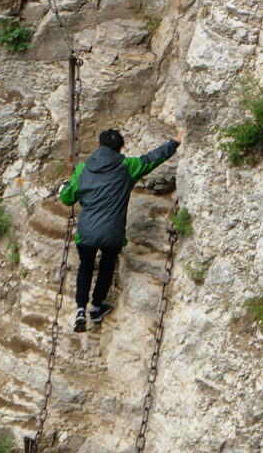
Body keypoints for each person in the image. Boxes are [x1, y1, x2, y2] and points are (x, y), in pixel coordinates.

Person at [59, 127, 182, 331]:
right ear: (121, 148)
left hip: (87, 232)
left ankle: (80, 309)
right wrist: (174, 142)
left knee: (85, 266)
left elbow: (67, 198)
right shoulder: (127, 166)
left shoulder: (82, 169)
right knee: (107, 265)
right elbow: (151, 159)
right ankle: (96, 307)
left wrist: (64, 188)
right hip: (112, 234)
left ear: (98, 145)